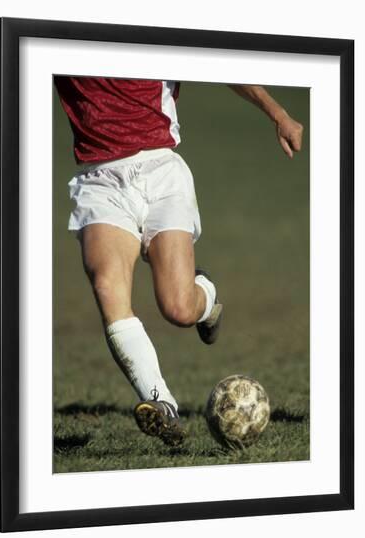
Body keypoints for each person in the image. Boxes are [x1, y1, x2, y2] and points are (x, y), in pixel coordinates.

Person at [54, 77, 304, 446]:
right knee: (108, 287)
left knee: (179, 307)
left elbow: (220, 62)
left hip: (160, 171)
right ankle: (161, 404)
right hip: (99, 179)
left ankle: (205, 291)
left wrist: (277, 113)